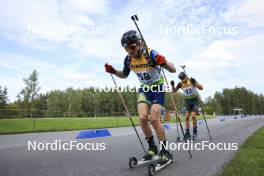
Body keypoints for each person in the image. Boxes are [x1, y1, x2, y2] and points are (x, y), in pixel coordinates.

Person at [104, 30, 176, 163]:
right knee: (142, 118)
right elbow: (124, 75)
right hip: (144, 89)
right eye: (126, 48)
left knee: (154, 119)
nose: (130, 51)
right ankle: (152, 148)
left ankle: (165, 151)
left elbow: (173, 69)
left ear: (140, 43)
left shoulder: (150, 54)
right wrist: (113, 71)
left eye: (132, 47)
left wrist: (164, 62)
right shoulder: (128, 59)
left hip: (158, 88)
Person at [173, 72, 203, 139]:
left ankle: (195, 132)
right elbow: (174, 91)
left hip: (195, 100)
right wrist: (172, 86)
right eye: (181, 79)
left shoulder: (191, 80)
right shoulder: (180, 83)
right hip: (187, 101)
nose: (183, 80)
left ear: (186, 76)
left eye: (183, 78)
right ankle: (187, 133)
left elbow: (201, 88)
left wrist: (194, 82)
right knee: (186, 117)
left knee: (193, 116)